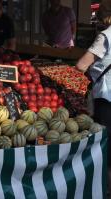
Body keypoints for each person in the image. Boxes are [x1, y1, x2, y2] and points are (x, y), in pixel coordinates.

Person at [76, 0, 111, 187]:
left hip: (106, 97)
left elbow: (81, 65)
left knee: (105, 143)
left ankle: (103, 186)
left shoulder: (105, 36)